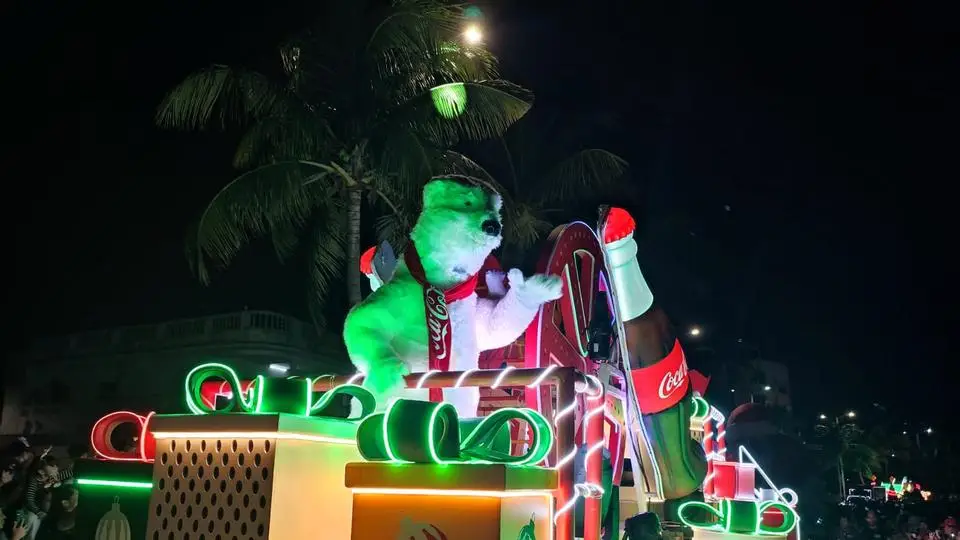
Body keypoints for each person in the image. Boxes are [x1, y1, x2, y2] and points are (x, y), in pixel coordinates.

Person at [21, 457, 72, 540]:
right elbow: (29, 500)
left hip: (50, 511)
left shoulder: (54, 476)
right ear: (41, 471)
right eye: (52, 466)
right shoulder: (34, 480)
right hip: (35, 510)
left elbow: (70, 472)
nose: (56, 468)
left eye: (56, 465)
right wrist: (38, 512)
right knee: (32, 518)